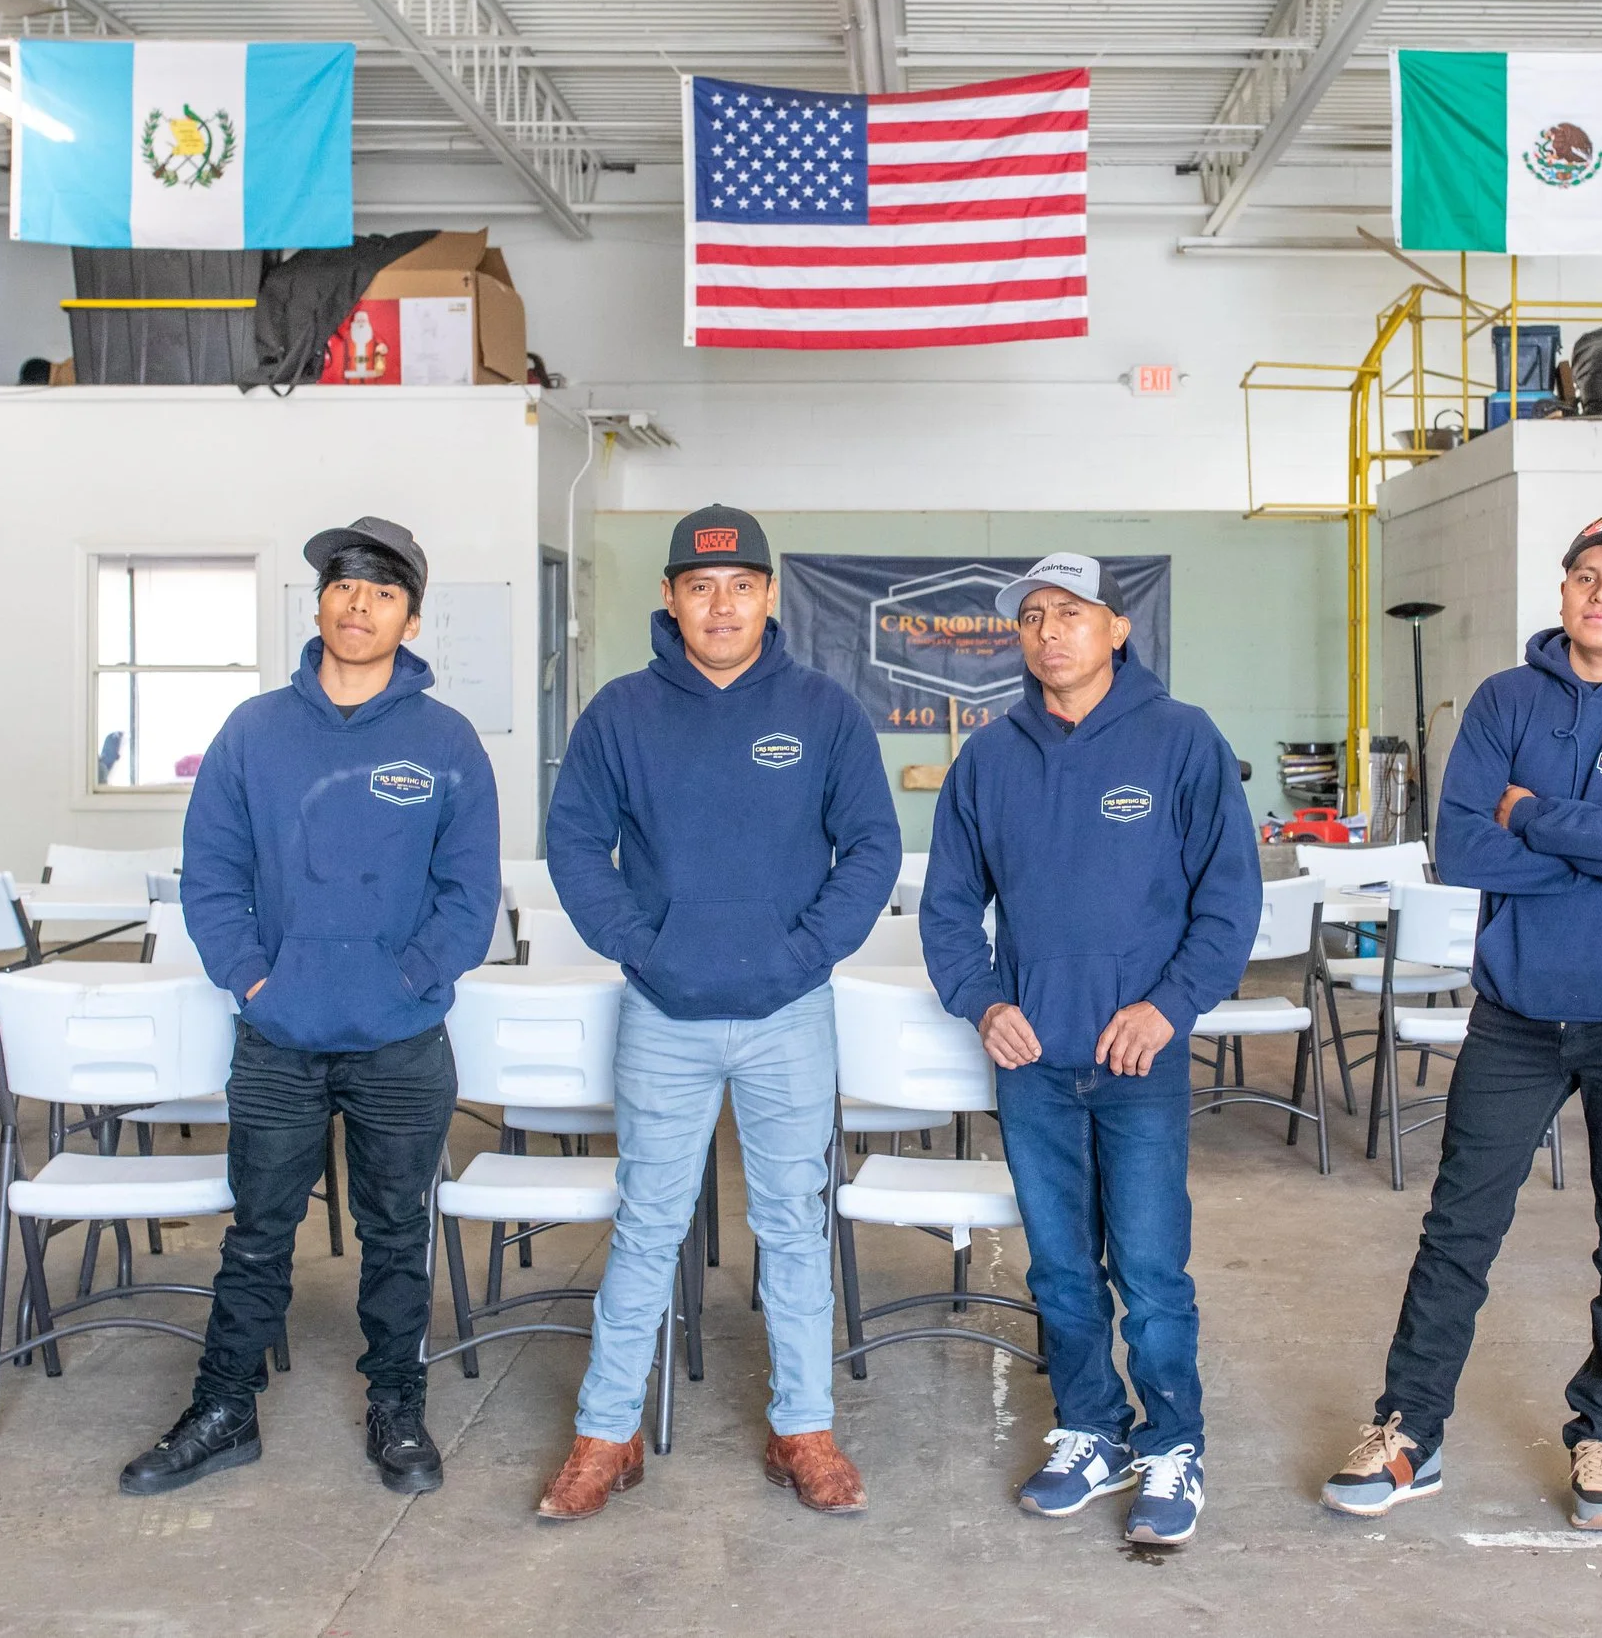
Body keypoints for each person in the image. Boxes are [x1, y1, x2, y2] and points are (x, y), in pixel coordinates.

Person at [1321, 510, 1602, 1533]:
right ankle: (1407, 1426)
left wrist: (1528, 812)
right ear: (1562, 593)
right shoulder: (1506, 699)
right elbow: (1460, 850)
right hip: (1514, 1011)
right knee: (1459, 1226)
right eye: (1585, 574)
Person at [119, 516, 501, 1498]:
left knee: (395, 1234)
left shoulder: (446, 739)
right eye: (342, 584)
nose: (357, 602)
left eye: (380, 590)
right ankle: (223, 1407)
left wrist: (406, 980)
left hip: (402, 1041)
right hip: (278, 1036)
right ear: (319, 603)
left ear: (410, 617)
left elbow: (468, 897)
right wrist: (256, 978)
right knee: (255, 1233)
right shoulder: (253, 732)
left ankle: (397, 1408)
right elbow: (210, 878)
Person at [536, 505, 900, 1521]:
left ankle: (805, 1428)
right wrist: (637, 942)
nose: (722, 602)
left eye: (741, 583)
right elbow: (574, 844)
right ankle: (605, 1435)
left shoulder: (824, 709)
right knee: (647, 1224)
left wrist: (805, 948)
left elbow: (871, 844)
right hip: (662, 1012)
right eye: (701, 586)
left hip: (789, 1012)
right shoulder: (619, 713)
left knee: (793, 1224)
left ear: (770, 595)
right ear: (670, 597)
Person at [920, 552, 1259, 1548]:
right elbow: (947, 907)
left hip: (1137, 1063)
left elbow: (1227, 899)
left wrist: (1169, 1005)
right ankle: (1088, 1426)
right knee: (1062, 1270)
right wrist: (983, 1001)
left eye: (1072, 611)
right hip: (1033, 1064)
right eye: (1032, 615)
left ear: (1117, 628)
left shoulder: (1181, 741)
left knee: (1151, 1268)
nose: (1050, 629)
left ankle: (1172, 1439)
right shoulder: (987, 757)